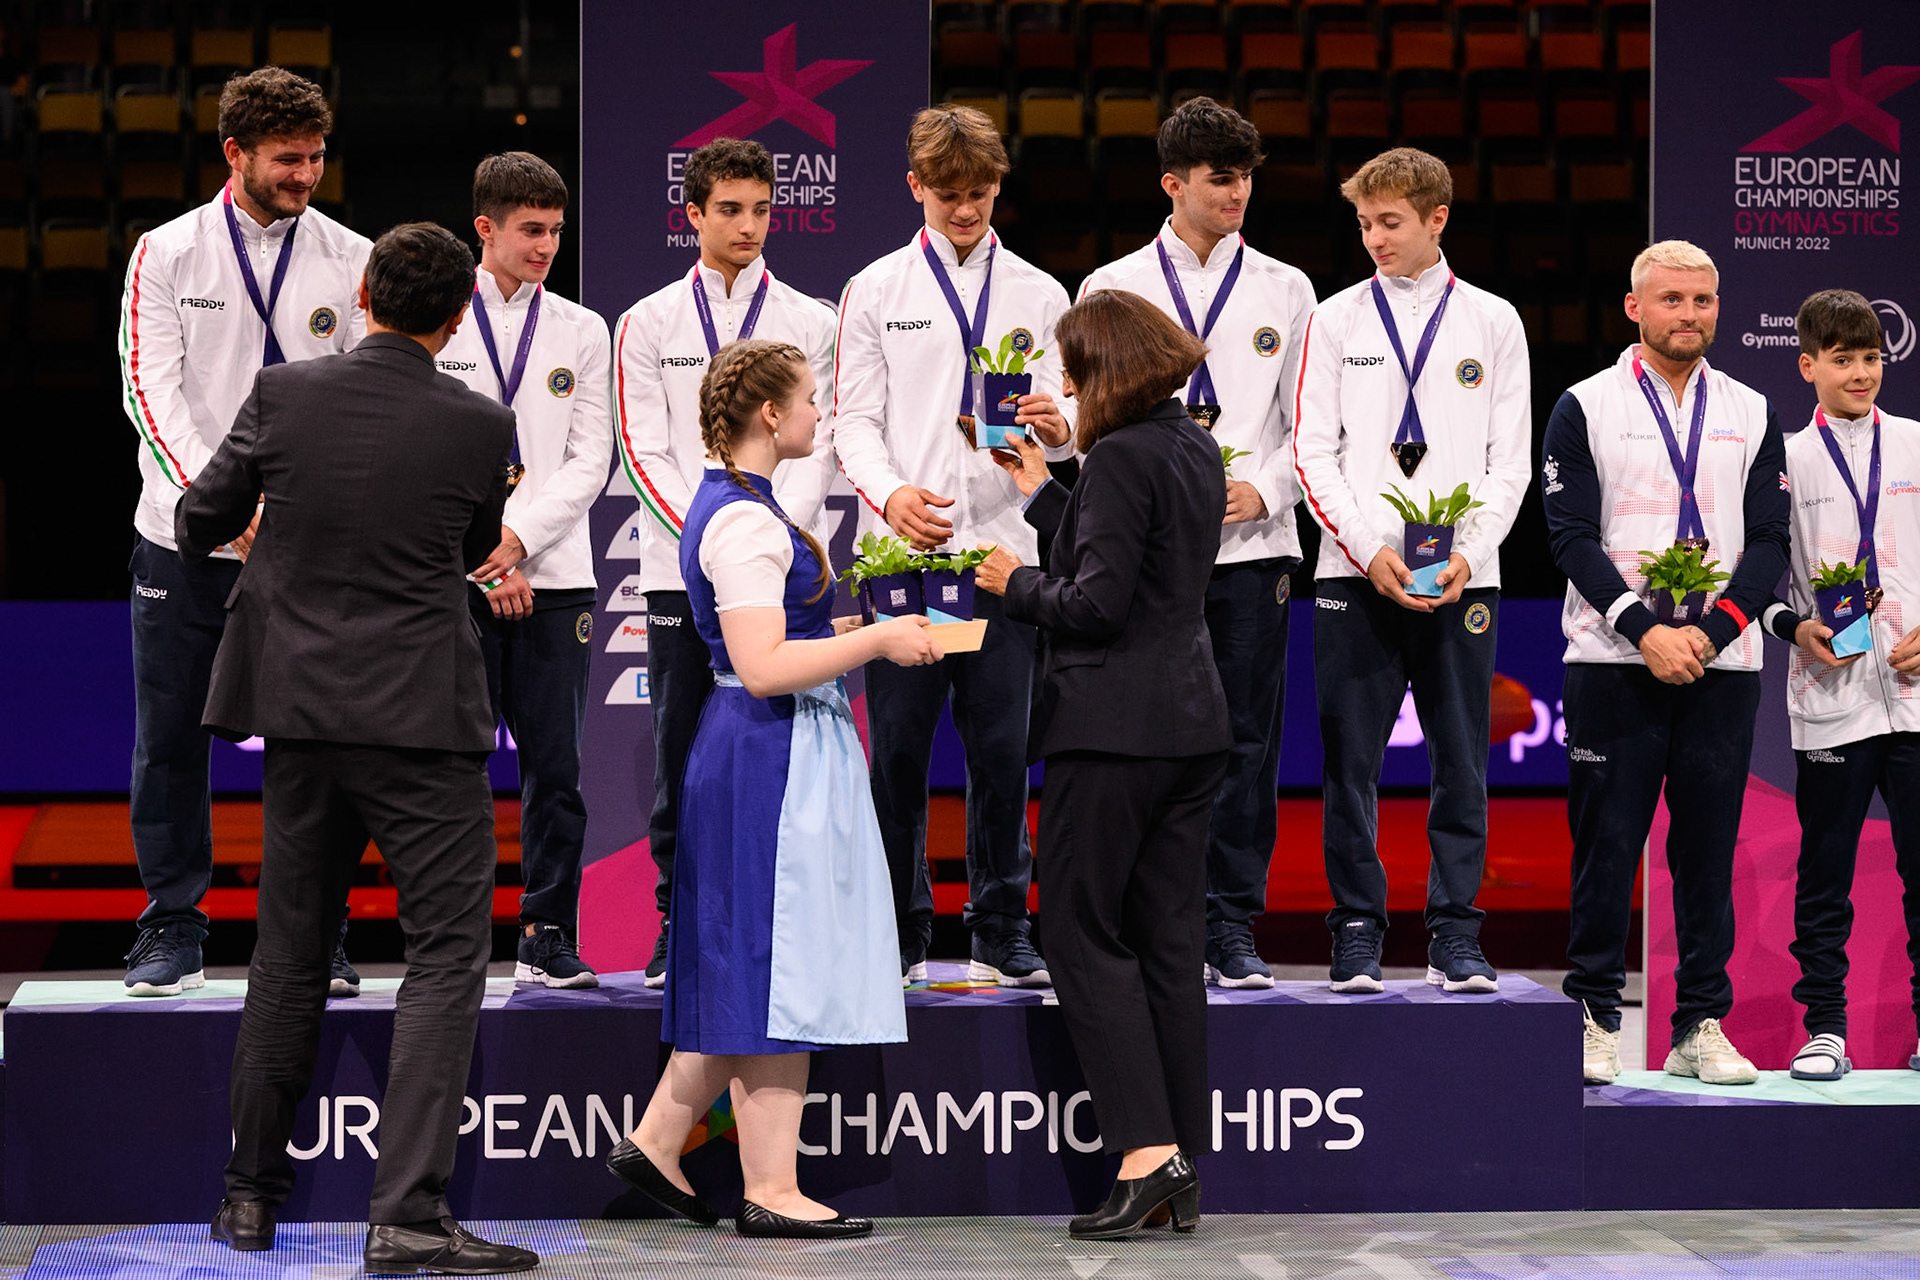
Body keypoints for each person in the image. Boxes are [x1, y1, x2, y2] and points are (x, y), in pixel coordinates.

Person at [179, 223, 536, 1273]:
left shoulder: (284, 393)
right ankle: (407, 1216)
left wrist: (271, 527)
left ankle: (249, 1200)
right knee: (445, 956)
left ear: (366, 295)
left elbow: (200, 517)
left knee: (289, 952)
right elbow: (473, 547)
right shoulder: (481, 423)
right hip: (421, 719)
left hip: (298, 713)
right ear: (458, 318)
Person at [605, 340, 929, 1238]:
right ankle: (771, 1190)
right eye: (812, 400)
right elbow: (761, 666)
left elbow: (780, 638)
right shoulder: (745, 522)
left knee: (758, 955)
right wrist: (877, 643)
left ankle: (658, 1144)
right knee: (776, 964)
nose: (823, 413)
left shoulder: (747, 506)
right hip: (767, 756)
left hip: (773, 750)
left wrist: (866, 622)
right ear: (771, 415)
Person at [975, 289, 1228, 1239]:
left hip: (1112, 729)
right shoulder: (1189, 444)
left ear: (1105, 371)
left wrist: (1013, 584)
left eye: (1076, 374)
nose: (1071, 390)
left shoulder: (1121, 455)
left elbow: (1094, 603)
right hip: (1190, 724)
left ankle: (1143, 1155)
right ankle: (1177, 1162)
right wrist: (1044, 489)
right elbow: (1130, 555)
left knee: (1079, 934)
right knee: (1168, 943)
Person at [117, 67, 371, 999]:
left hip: (306, 547)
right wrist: (226, 509)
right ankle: (172, 926)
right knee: (170, 740)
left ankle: (317, 931)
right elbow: (150, 394)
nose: (305, 175)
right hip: (183, 540)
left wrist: (293, 513)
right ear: (235, 154)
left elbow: (366, 399)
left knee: (322, 746)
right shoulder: (167, 253)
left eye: (315, 158)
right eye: (286, 159)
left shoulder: (352, 257)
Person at [1074, 97, 1314, 988]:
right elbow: (1093, 421)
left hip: (1253, 549)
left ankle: (1231, 921)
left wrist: (1268, 488)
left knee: (1246, 740)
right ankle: (1150, 916)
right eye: (1220, 179)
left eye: (1246, 176)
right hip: (1148, 559)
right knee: (1143, 738)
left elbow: (1312, 423)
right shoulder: (1111, 286)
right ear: (1172, 184)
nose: (1237, 193)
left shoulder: (1288, 288)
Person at [834, 103, 1073, 987]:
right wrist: (890, 495)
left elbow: (1070, 423)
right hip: (905, 563)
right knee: (897, 757)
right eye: (947, 195)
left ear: (998, 185)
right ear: (915, 188)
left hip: (1003, 559)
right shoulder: (875, 289)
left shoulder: (1043, 294)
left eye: (978, 193)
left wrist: (1064, 427)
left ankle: (1001, 925)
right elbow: (852, 422)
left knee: (1003, 755)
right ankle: (897, 930)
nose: (965, 210)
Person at [1543, 240, 1789, 1087]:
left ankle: (1699, 1025)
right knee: (1606, 847)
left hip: (1722, 667)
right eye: (1672, 299)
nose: (1689, 314)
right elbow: (1570, 535)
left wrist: (1712, 633)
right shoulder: (1585, 404)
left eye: (1703, 300)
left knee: (1706, 853)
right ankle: (1593, 1015)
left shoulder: (1752, 409)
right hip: (1613, 660)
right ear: (1634, 308)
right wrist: (1645, 629)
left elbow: (1770, 541)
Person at [1292, 148, 1531, 996]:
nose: (1374, 238)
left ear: (1437, 219)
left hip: (1465, 577)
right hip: (1353, 575)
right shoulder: (1334, 319)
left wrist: (1469, 551)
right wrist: (1369, 550)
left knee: (1462, 761)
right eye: (1364, 223)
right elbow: (1312, 452)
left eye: (1390, 222)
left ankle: (1455, 933)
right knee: (1349, 763)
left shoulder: (1494, 321)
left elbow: (1511, 461)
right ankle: (1357, 928)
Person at [614, 137, 838, 989]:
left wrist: (770, 536)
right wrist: (711, 541)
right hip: (681, 575)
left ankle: (778, 918)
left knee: (783, 744)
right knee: (679, 752)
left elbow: (822, 445)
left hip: (780, 569)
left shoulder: (811, 321)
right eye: (730, 210)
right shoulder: (647, 321)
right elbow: (642, 449)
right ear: (694, 214)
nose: (749, 226)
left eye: (762, 210)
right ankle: (678, 923)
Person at [435, 151, 611, 989]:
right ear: (486, 228)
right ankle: (453, 935)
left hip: (556, 576)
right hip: (454, 578)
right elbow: (426, 449)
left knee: (557, 770)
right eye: (531, 230)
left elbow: (591, 460)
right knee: (451, 767)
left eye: (556, 231)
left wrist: (518, 539)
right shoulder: (439, 318)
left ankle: (547, 931)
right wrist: (485, 553)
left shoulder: (583, 328)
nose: (546, 246)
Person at [1759, 289, 1920, 1080]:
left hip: (1916, 700)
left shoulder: (1917, 444)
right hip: (1831, 698)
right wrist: (1796, 629)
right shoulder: (1784, 462)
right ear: (1808, 366)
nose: (1861, 372)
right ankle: (1825, 1028)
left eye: (1871, 358)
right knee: (1825, 877)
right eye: (1843, 359)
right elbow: (1756, 582)